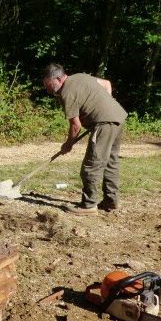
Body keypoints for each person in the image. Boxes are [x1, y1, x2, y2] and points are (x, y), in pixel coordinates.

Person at [42, 63, 127, 215]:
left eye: (48, 84)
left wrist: (68, 144)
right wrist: (105, 106)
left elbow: (76, 126)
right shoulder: (80, 77)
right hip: (118, 117)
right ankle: (111, 201)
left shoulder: (66, 92)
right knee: (110, 162)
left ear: (59, 78)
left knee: (91, 165)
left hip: (104, 124)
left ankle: (88, 205)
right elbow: (106, 83)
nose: (47, 89)